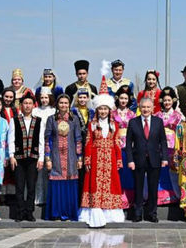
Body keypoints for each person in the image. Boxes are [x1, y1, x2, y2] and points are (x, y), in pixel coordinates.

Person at [79, 93, 125, 227]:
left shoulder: (114, 125)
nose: (103, 111)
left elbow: (117, 143)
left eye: (105, 108)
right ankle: (95, 211)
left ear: (109, 110)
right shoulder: (92, 125)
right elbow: (88, 142)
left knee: (112, 184)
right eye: (100, 108)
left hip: (110, 158)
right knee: (94, 184)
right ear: (97, 110)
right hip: (95, 157)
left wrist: (119, 160)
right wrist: (87, 160)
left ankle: (109, 213)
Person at [125, 97, 168, 222]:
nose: (146, 109)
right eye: (143, 107)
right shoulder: (133, 122)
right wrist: (130, 160)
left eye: (148, 107)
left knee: (153, 188)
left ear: (153, 108)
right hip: (138, 160)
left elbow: (163, 141)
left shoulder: (158, 122)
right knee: (138, 187)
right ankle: (137, 213)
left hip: (154, 159)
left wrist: (164, 158)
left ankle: (152, 213)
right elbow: (129, 143)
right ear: (139, 107)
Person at [45, 94, 83, 221]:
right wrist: (48, 158)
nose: (63, 105)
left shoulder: (74, 119)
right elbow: (48, 140)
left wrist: (79, 158)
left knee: (69, 184)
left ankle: (68, 213)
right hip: (56, 157)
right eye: (61, 103)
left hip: (71, 157)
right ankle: (56, 213)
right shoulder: (51, 119)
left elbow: (78, 139)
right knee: (57, 185)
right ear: (57, 104)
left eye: (66, 103)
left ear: (69, 104)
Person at [8, 91, 45, 222]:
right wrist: (11, 155)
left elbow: (41, 140)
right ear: (21, 105)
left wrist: (41, 158)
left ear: (33, 105)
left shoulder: (39, 121)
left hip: (33, 158)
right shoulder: (15, 120)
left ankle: (29, 212)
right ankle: (19, 212)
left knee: (31, 186)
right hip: (18, 158)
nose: (28, 106)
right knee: (19, 186)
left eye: (30, 103)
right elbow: (11, 138)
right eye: (25, 103)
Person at [155, 87, 183, 205]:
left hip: (172, 145)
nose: (167, 103)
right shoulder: (156, 115)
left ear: (173, 101)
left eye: (169, 100)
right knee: (160, 172)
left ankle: (174, 195)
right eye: (165, 100)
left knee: (173, 171)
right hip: (159, 146)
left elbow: (181, 133)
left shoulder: (179, 116)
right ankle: (160, 196)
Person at [111, 85, 136, 208]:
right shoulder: (112, 113)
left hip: (129, 146)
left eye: (126, 98)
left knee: (128, 172)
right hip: (115, 146)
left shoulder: (132, 114)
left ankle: (128, 199)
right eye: (121, 98)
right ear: (117, 98)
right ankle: (116, 197)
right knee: (117, 172)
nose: (123, 101)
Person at [33, 87, 56, 206]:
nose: (44, 100)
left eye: (46, 97)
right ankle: (38, 198)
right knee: (38, 170)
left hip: (50, 142)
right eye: (42, 97)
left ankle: (48, 197)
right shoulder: (35, 111)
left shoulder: (53, 111)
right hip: (37, 142)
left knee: (49, 170)